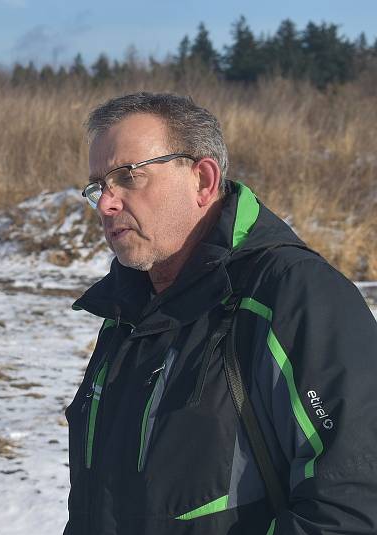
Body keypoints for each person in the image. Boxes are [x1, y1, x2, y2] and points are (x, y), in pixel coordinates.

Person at [65, 92, 377, 534]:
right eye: (98, 185)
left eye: (128, 177)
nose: (105, 204)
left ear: (203, 180)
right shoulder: (128, 307)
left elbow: (353, 506)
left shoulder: (293, 296)